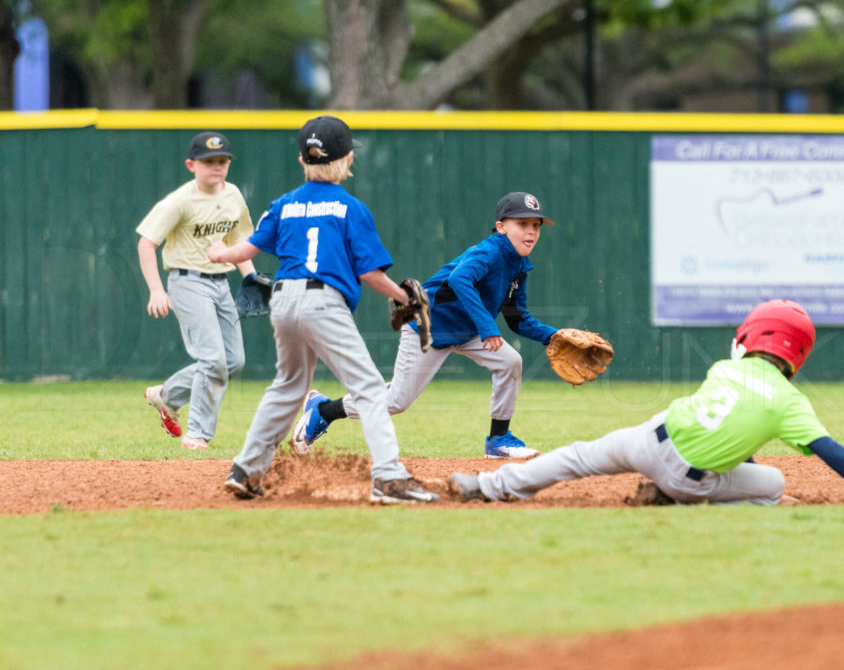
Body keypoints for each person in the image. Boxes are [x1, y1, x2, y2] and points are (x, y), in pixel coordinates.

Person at [448, 300, 844, 506]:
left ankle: (486, 488)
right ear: (798, 353)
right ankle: (690, 500)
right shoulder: (789, 403)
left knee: (576, 456)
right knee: (772, 484)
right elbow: (833, 453)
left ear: (749, 336)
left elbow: (728, 417)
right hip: (690, 480)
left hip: (649, 438)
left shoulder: (725, 369)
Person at [207, 115, 437, 504]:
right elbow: (370, 274)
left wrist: (220, 254)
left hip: (282, 299)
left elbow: (246, 250)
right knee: (367, 387)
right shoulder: (351, 208)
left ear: (302, 161)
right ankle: (389, 478)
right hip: (323, 302)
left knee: (287, 386)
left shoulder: (284, 204)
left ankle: (246, 470)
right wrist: (403, 296)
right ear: (348, 160)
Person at [290, 191, 562, 461]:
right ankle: (323, 410)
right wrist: (488, 327)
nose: (531, 232)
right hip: (429, 325)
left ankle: (498, 439)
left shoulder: (519, 265)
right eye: (522, 224)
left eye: (536, 225)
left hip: (467, 330)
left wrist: (554, 336)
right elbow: (459, 280)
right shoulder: (489, 251)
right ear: (501, 227)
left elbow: (516, 317)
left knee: (509, 361)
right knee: (397, 401)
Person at [137, 131, 258, 450]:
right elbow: (146, 243)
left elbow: (240, 243)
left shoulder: (233, 196)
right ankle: (197, 434)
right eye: (208, 162)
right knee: (212, 359)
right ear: (191, 164)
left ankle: (167, 396)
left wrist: (251, 280)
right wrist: (156, 290)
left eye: (222, 161)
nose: (216, 167)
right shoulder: (180, 201)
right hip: (187, 282)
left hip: (221, 282)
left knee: (234, 361)